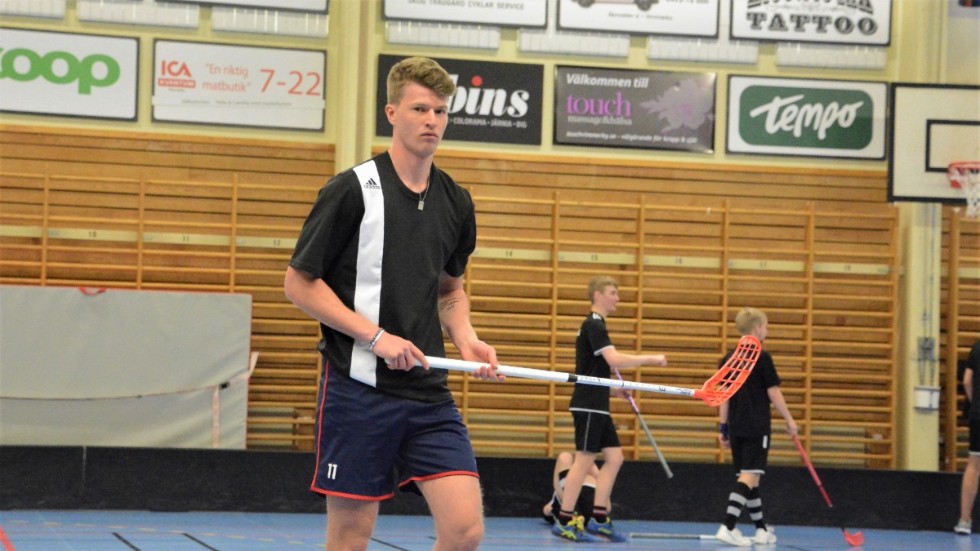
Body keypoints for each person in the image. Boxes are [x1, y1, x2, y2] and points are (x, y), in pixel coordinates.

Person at [284, 56, 503, 551]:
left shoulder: (456, 201)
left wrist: (467, 340)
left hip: (428, 394)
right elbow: (298, 284)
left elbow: (450, 291)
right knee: (350, 537)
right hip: (358, 390)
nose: (432, 121)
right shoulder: (351, 190)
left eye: (441, 112)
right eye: (420, 108)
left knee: (465, 530)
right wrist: (375, 337)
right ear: (392, 112)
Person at [553, 275, 668, 543]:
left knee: (615, 458)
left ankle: (599, 518)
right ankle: (565, 519)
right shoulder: (593, 324)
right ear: (598, 296)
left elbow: (592, 371)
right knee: (583, 460)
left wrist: (615, 390)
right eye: (613, 293)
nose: (617, 298)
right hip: (588, 405)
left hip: (598, 404)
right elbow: (613, 359)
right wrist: (650, 359)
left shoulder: (597, 326)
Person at [714, 307, 798, 547]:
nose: (767, 331)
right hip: (756, 426)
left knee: (752, 479)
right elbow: (774, 392)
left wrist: (723, 427)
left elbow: (724, 396)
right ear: (757, 328)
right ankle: (727, 526)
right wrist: (790, 420)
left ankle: (761, 530)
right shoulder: (762, 357)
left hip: (737, 426)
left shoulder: (728, 358)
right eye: (766, 326)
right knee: (749, 476)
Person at [955, 339, 980, 535]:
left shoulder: (977, 347)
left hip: (977, 415)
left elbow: (966, 381)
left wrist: (975, 405)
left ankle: (964, 521)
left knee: (974, 465)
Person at [541, 451, 600, 526]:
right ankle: (573, 512)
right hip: (570, 508)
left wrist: (598, 476)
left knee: (565, 457)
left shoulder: (592, 470)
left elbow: (607, 508)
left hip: (586, 510)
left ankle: (573, 512)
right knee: (565, 457)